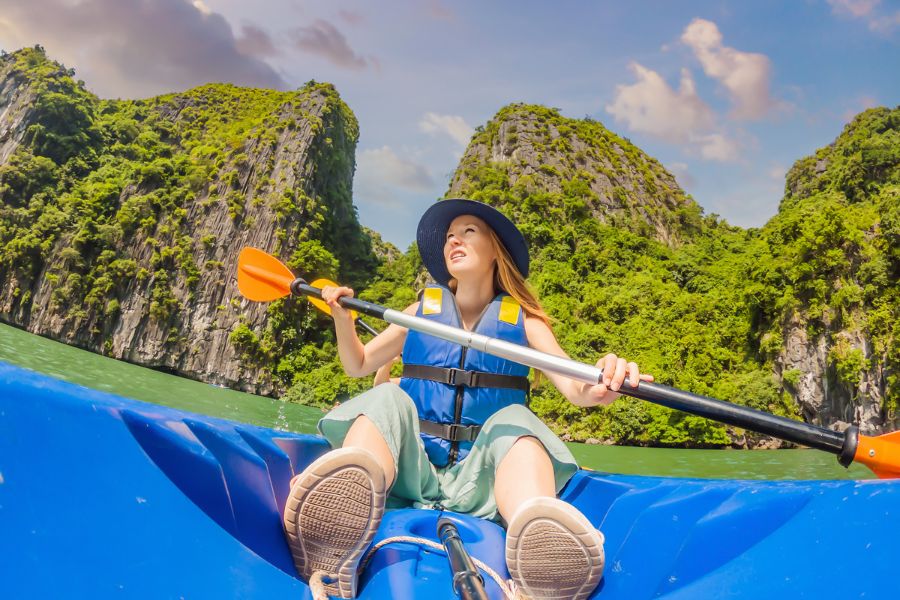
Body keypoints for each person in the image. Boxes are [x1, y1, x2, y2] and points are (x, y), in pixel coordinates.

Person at [282, 199, 652, 600]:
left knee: (516, 419)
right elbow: (359, 364)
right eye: (448, 236)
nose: (453, 239)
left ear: (496, 249)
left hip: (484, 483)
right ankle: (341, 515)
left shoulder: (524, 321)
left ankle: (537, 537)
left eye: (468, 231)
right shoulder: (419, 312)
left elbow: (575, 386)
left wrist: (603, 383)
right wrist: (342, 318)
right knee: (387, 395)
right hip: (413, 469)